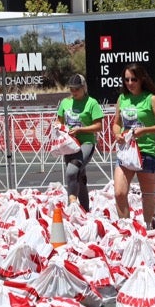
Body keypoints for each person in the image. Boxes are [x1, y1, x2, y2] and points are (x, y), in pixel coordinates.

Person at [112, 63, 155, 230]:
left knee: (147, 194)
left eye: (133, 79)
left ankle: (149, 227)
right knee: (119, 193)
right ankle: (126, 228)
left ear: (141, 79)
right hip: (126, 153)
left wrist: (144, 130)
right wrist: (117, 134)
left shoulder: (151, 98)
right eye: (126, 79)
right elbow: (116, 123)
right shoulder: (122, 99)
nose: (129, 83)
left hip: (146, 151)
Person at [55, 73, 104, 212]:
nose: (74, 92)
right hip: (69, 144)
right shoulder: (65, 102)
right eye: (71, 89)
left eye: (77, 89)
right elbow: (59, 121)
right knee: (79, 177)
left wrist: (80, 129)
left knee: (71, 172)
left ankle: (72, 208)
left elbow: (99, 126)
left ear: (84, 88)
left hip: (86, 143)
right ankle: (85, 210)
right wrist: (58, 127)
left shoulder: (92, 103)